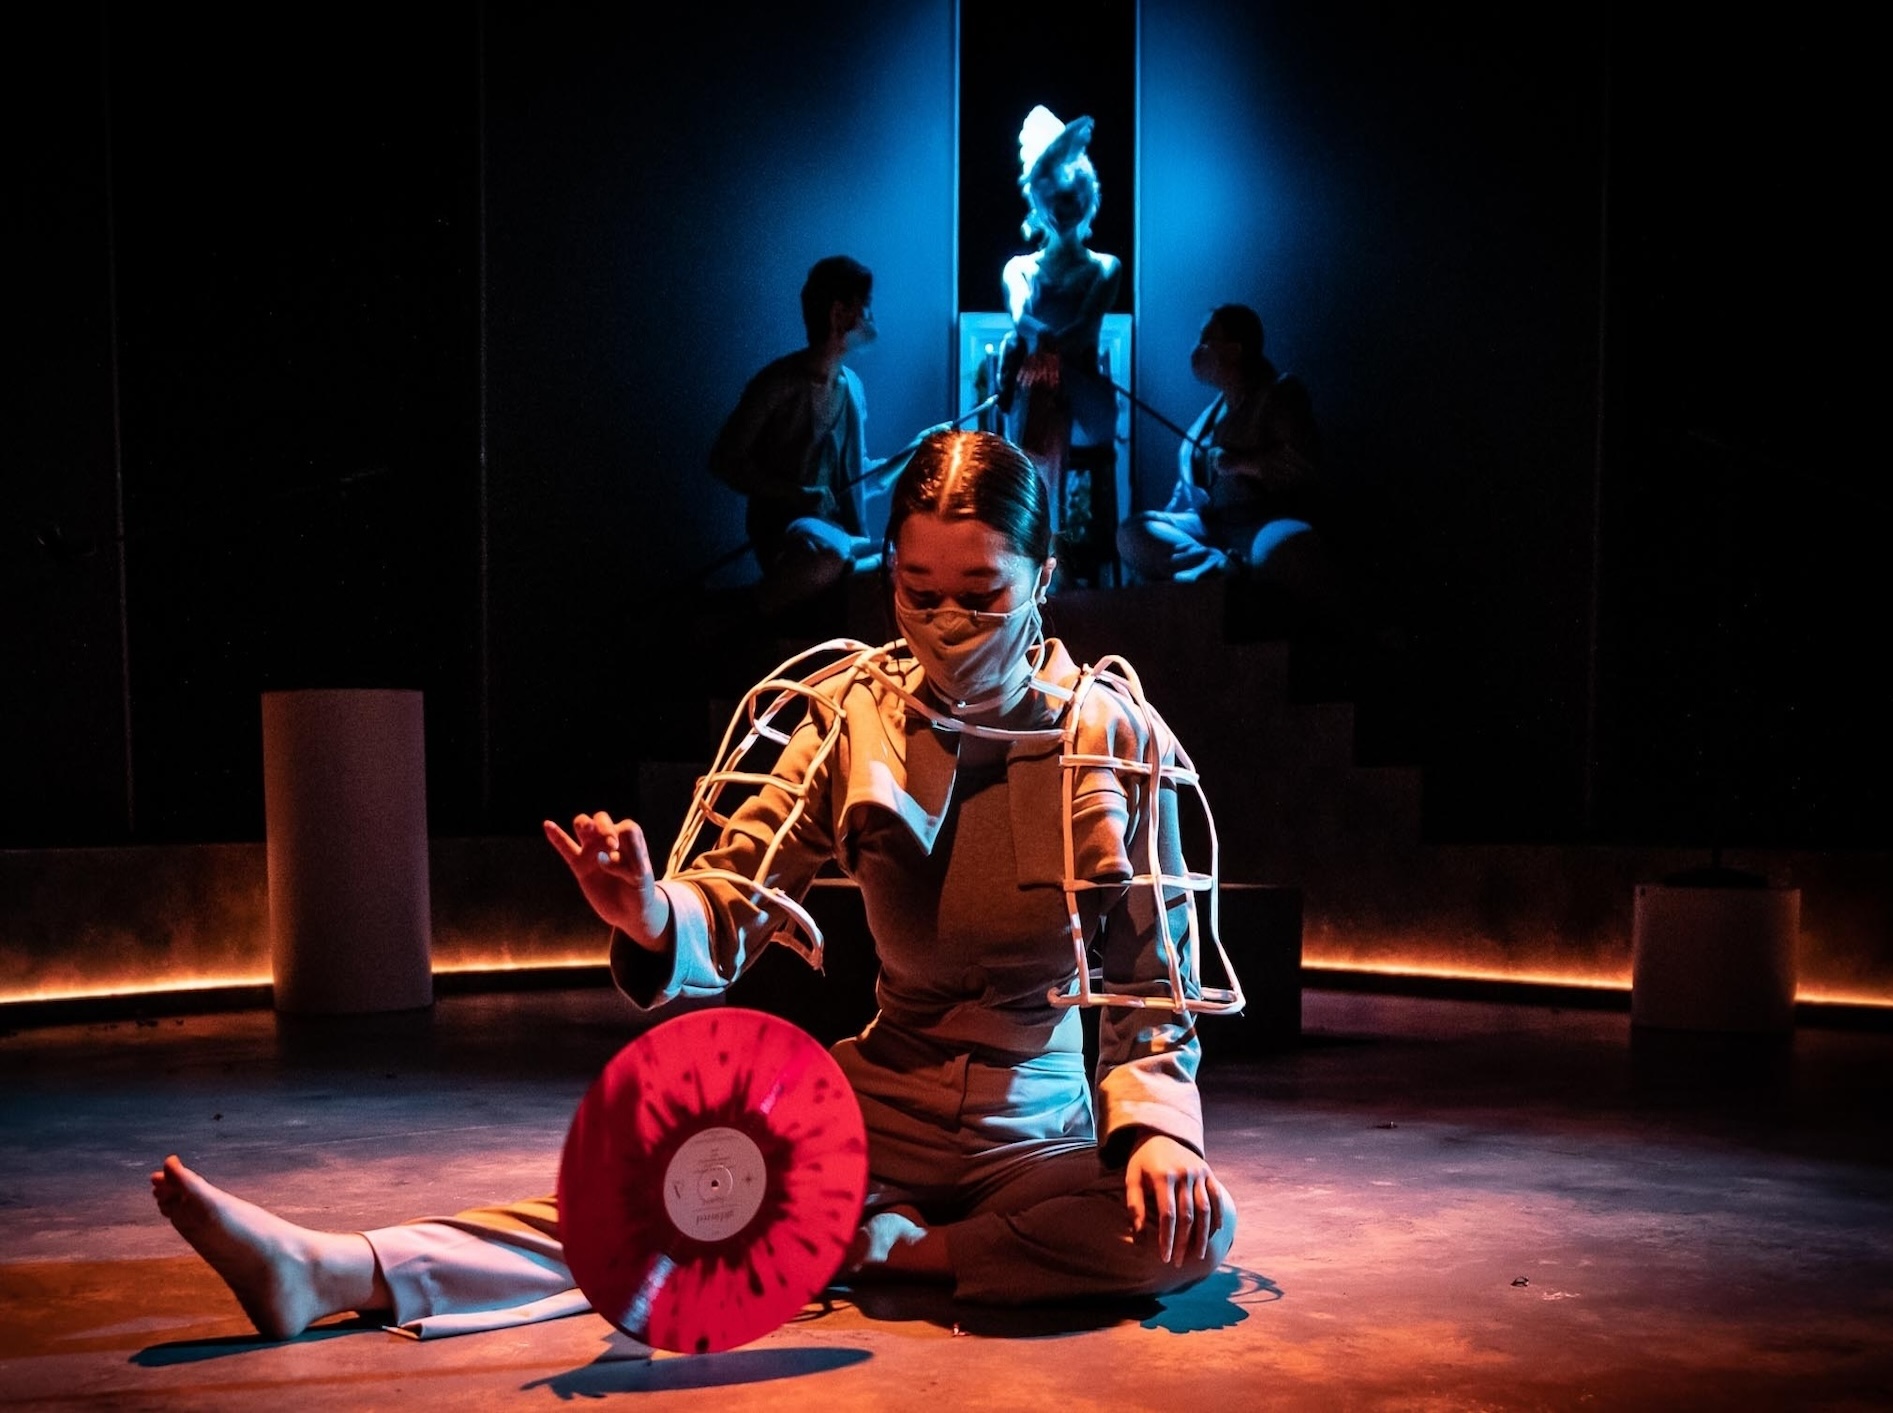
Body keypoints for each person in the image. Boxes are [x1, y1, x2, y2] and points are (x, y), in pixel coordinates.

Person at [151, 430, 1238, 1341]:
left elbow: (1154, 980)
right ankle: (338, 1269)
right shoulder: (851, 713)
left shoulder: (1111, 738)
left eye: (981, 592)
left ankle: (901, 1253)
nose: (948, 620)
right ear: (891, 580)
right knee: (653, 1190)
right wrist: (647, 910)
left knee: (1193, 1229)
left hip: (1036, 1135)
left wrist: (1156, 1134)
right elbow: (735, 886)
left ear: (1041, 578)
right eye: (920, 591)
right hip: (875, 1108)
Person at [708, 254, 889, 619]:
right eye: (865, 306)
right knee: (829, 555)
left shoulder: (852, 387)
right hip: (790, 537)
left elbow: (854, 477)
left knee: (891, 557)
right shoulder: (777, 385)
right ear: (839, 313)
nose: (871, 317)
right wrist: (794, 494)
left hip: (838, 535)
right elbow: (724, 460)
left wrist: (917, 450)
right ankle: (738, 612)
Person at [1116, 303, 1329, 588]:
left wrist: (1240, 463)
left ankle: (1229, 571)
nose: (1196, 350)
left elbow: (1303, 466)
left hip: (1263, 522)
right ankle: (1219, 568)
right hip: (1210, 529)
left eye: (1205, 340)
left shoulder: (1279, 393)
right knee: (1134, 532)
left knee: (1287, 548)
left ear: (1234, 350)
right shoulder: (1207, 417)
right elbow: (1185, 500)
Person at [998, 107, 1122, 575]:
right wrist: (1043, 344)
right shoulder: (1020, 268)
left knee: (1050, 381)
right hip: (1033, 399)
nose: (1062, 210)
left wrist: (1051, 353)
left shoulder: (1104, 267)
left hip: (1088, 405)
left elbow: (1086, 328)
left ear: (1085, 199)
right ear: (1039, 201)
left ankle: (1044, 548)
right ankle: (1048, 550)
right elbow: (1021, 319)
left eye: (1070, 199)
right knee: (1042, 388)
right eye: (1053, 200)